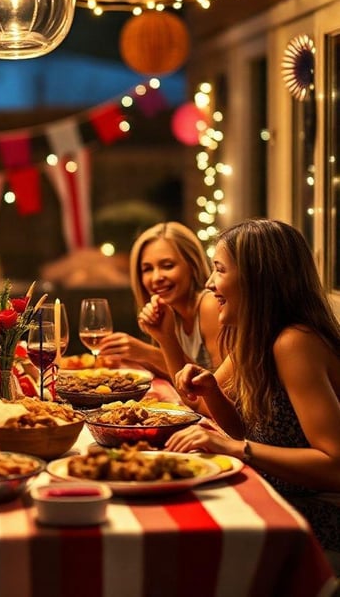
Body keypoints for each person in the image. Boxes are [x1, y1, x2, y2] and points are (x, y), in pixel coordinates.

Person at [163, 219, 340, 567]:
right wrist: (213, 392)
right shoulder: (254, 338)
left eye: (219, 270)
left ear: (258, 279)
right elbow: (250, 433)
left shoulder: (295, 342)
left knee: (189, 550)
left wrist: (235, 449)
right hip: (280, 501)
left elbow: (335, 466)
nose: (210, 283)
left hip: (317, 520)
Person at [99, 221, 222, 379]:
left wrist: (149, 353)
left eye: (168, 265)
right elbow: (172, 374)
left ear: (192, 265)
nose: (156, 278)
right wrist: (132, 355)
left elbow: (219, 388)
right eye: (148, 269)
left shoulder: (210, 305)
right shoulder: (170, 312)